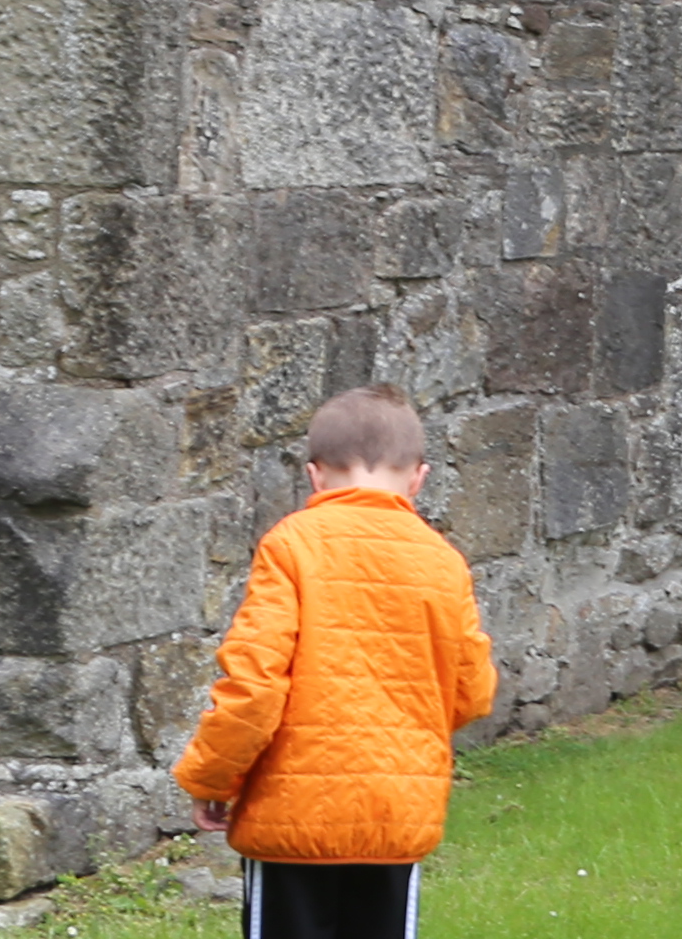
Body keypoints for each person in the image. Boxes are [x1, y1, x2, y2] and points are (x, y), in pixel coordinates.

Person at [175, 383, 498, 937]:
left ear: (314, 475)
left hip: (292, 811)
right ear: (419, 478)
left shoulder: (291, 545)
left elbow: (254, 685)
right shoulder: (443, 562)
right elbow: (473, 692)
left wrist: (212, 777)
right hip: (395, 809)